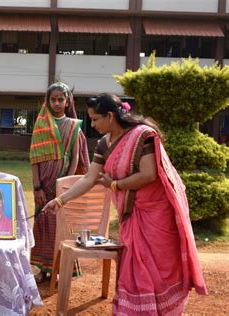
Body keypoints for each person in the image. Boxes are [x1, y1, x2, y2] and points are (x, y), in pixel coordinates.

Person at [42, 93, 207, 315]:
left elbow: (149, 175)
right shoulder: (103, 144)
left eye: (96, 119)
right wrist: (60, 200)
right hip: (132, 214)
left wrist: (116, 185)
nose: (93, 124)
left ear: (110, 116)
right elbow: (90, 178)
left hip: (156, 212)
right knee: (137, 265)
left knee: (159, 266)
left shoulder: (142, 136)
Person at [29, 82, 90, 281]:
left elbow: (75, 158)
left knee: (60, 226)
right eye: (53, 99)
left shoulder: (74, 126)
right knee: (42, 223)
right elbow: (35, 159)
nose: (56, 103)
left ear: (67, 102)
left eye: (60, 99)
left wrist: (65, 185)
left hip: (62, 184)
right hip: (43, 184)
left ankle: (61, 268)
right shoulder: (40, 126)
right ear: (47, 102)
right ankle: (42, 269)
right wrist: (37, 186)